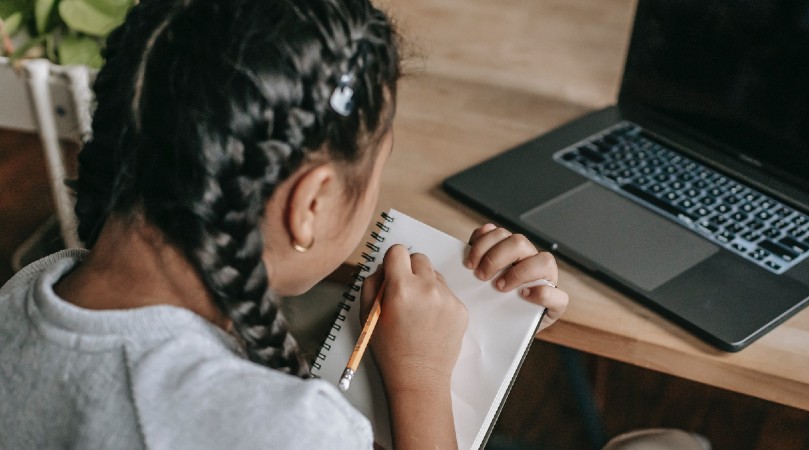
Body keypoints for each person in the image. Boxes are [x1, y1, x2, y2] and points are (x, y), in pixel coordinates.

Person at [0, 0, 568, 448]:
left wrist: (487, 339)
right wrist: (419, 380)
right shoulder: (281, 429)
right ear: (311, 203)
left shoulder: (29, 289)